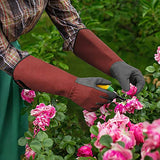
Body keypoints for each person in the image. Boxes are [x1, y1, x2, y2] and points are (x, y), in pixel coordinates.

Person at [0, 0, 145, 159]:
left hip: (11, 59)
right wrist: (73, 87)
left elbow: (69, 24)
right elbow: (4, 55)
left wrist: (114, 64)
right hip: (7, 60)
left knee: (10, 145)